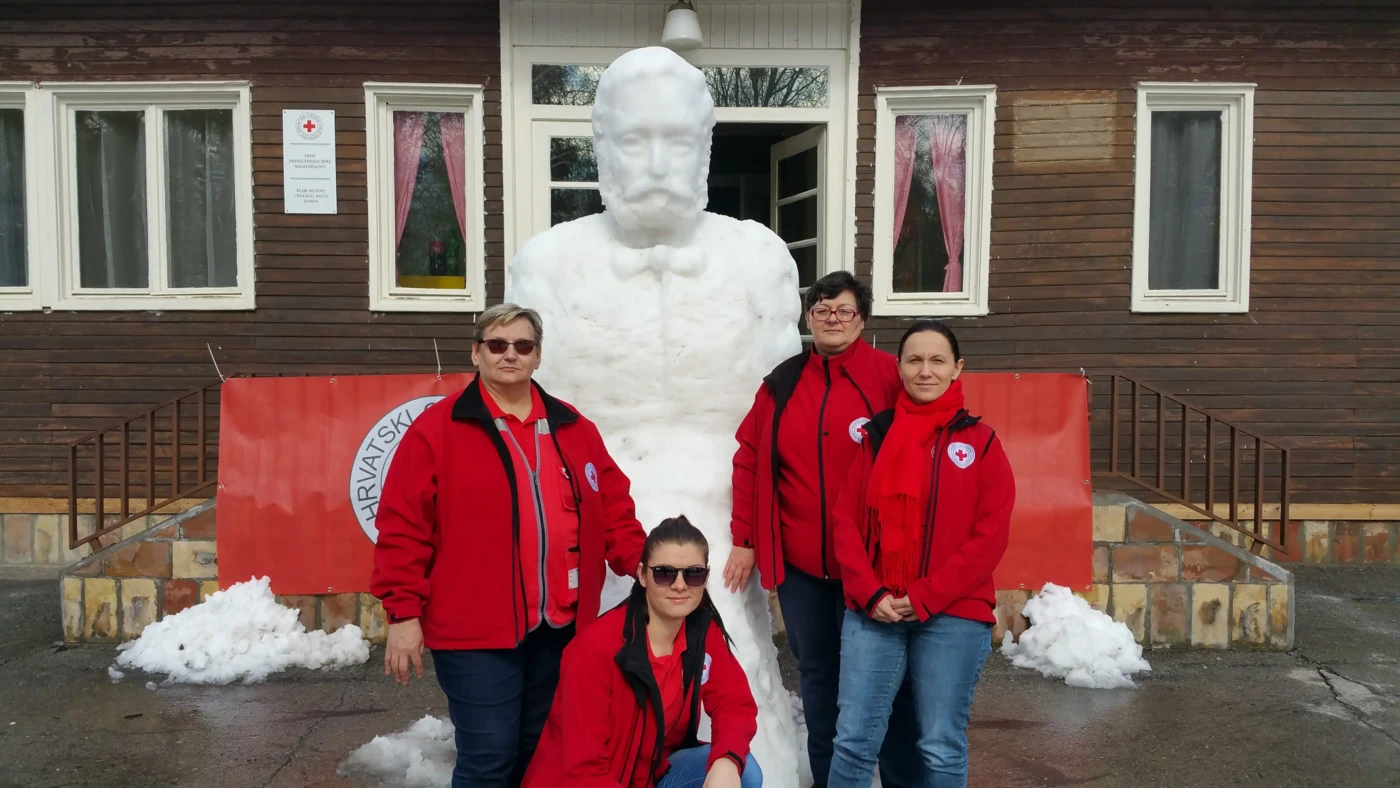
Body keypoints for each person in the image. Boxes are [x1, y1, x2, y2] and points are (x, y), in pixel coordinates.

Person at [507, 45, 803, 782]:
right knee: (597, 685)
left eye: (677, 140)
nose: (658, 164)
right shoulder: (547, 264)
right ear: (601, 147)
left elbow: (779, 421)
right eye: (636, 141)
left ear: (705, 148)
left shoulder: (759, 259)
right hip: (600, 519)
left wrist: (758, 529)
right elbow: (532, 417)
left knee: (731, 664)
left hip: (721, 518)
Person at [370, 303, 648, 788]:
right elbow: (403, 528)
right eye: (497, 345)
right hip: (475, 632)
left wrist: (649, 568)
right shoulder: (438, 430)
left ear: (538, 356)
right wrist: (402, 613)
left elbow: (614, 511)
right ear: (476, 353)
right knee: (489, 758)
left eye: (523, 345)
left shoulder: (573, 428)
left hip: (560, 629)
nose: (510, 354)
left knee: (542, 754)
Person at [724, 271, 921, 788]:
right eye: (822, 310)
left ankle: (898, 778)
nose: (833, 319)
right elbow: (749, 458)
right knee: (818, 678)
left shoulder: (888, 377)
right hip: (802, 568)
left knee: (885, 681)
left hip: (873, 569)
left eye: (844, 310)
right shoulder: (782, 384)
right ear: (808, 317)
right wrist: (745, 539)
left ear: (862, 319)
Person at [826, 321, 1015, 788]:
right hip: (876, 611)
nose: (925, 371)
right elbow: (845, 522)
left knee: (940, 745)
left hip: (953, 614)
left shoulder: (981, 443)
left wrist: (927, 594)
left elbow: (989, 536)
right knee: (852, 742)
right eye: (914, 360)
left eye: (937, 360)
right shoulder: (877, 437)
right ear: (900, 367)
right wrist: (870, 593)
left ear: (957, 369)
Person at [524, 516, 763, 788]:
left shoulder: (701, 631)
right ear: (642, 575)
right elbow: (583, 771)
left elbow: (734, 703)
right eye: (664, 573)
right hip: (585, 782)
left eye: (693, 574)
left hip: (651, 775)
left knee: (744, 771)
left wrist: (726, 762)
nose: (680, 585)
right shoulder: (595, 649)